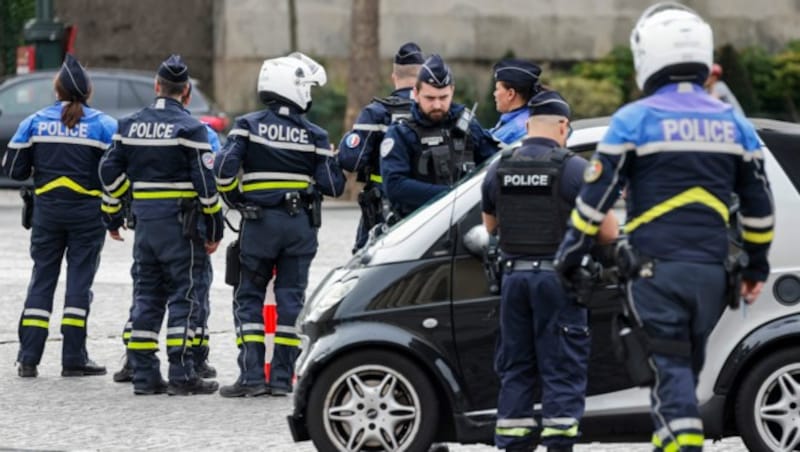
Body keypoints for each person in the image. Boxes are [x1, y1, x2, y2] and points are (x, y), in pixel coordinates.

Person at [554, 4, 774, 452]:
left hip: (657, 273)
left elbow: (592, 204)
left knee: (669, 376)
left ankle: (684, 445)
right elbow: (759, 207)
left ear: (646, 56)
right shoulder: (734, 123)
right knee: (683, 376)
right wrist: (755, 269)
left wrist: (569, 259)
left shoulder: (635, 120)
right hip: (713, 275)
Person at [482, 90, 619, 452]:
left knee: (516, 370)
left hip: (513, 282)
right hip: (558, 282)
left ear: (527, 125)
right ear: (563, 126)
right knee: (562, 371)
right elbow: (608, 232)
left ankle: (512, 444)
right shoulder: (574, 169)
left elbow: (490, 226)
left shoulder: (500, 166)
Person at [215, 52, 345, 398]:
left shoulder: (247, 124)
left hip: (259, 225)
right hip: (300, 227)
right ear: (294, 88)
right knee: (291, 302)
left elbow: (224, 169)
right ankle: (281, 379)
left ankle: (252, 377)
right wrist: (328, 159)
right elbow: (334, 187)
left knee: (249, 298)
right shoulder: (315, 134)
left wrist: (235, 199)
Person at [100, 54, 224, 396]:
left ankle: (144, 375)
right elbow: (206, 186)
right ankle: (183, 375)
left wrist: (114, 213)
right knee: (184, 297)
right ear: (185, 92)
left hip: (145, 224)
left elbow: (108, 172)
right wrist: (214, 230)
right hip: (181, 227)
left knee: (147, 297)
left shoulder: (129, 126)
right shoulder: (192, 130)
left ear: (157, 86)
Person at [3, 54, 116, 378]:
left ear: (57, 90)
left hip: (48, 213)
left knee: (42, 279)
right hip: (87, 215)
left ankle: (28, 358)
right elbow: (117, 169)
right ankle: (73, 357)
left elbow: (13, 168)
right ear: (88, 92)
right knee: (79, 283)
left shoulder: (35, 122)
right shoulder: (104, 125)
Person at [381, 54, 499, 218]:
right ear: (416, 93)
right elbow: (394, 186)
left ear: (452, 91)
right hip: (419, 225)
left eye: (443, 97)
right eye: (430, 98)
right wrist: (451, 195)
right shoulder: (402, 132)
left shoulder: (466, 124)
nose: (437, 105)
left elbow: (493, 165)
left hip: (464, 222)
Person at [338, 42, 424, 252]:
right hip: (427, 205)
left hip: (382, 205)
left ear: (394, 77)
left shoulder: (377, 112)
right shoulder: (436, 114)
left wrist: (347, 140)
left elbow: (351, 160)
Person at [489, 58, 542, 146]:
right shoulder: (517, 117)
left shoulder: (517, 128)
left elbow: (489, 145)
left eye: (497, 89)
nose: (494, 94)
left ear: (511, 94)